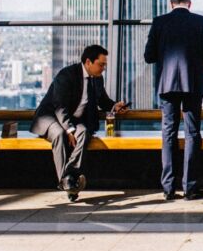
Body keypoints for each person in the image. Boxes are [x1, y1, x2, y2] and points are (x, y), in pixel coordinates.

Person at [144, 0, 203, 201]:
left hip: (167, 85)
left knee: (168, 133)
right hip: (192, 84)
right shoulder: (201, 21)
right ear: (190, 3)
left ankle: (168, 188)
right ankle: (190, 187)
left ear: (171, 4)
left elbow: (149, 56)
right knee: (192, 133)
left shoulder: (159, 22)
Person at [31, 44, 129, 202]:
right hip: (51, 117)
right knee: (59, 134)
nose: (103, 68)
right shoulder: (67, 75)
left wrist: (114, 106)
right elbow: (59, 106)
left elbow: (102, 99)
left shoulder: (97, 79)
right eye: (101, 64)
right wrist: (69, 129)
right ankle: (69, 181)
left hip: (74, 120)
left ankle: (68, 178)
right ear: (88, 62)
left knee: (84, 132)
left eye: (105, 65)